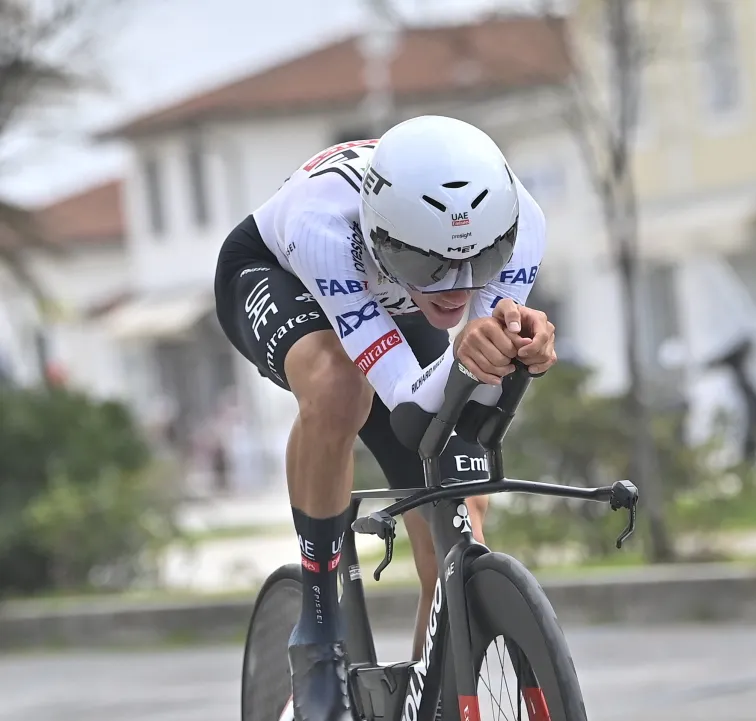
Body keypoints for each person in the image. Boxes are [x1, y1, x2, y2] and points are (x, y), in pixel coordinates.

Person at [213, 115, 557, 721]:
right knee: (341, 389)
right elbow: (406, 401)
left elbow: (468, 399)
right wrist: (470, 353)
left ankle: (436, 694)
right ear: (382, 237)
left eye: (479, 260)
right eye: (435, 266)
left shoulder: (521, 221)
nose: (457, 288)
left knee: (460, 518)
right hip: (281, 274)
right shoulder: (323, 227)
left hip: (401, 299)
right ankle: (318, 629)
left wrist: (518, 349)